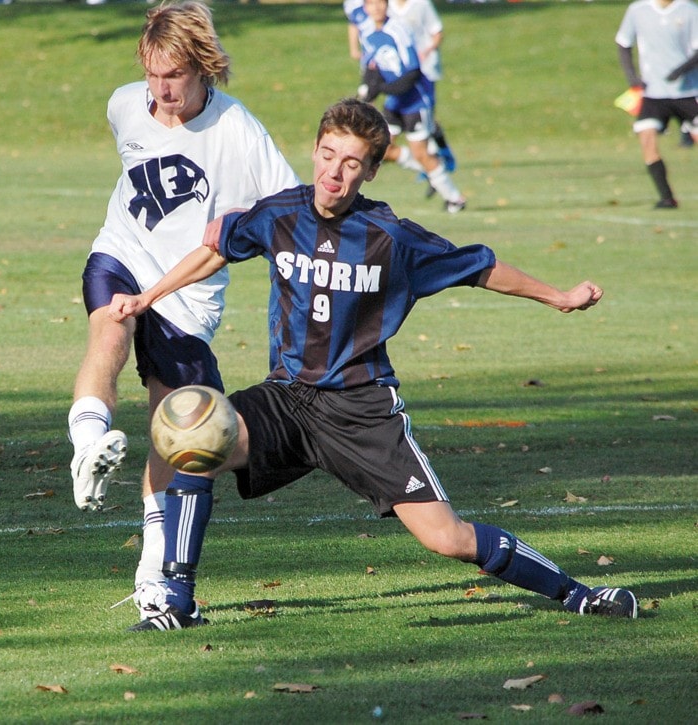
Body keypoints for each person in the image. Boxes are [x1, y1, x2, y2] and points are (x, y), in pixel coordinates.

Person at [109, 98, 639, 631]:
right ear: (314, 150)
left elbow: (482, 267)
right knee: (197, 442)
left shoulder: (393, 238)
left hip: (361, 412)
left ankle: (578, 594)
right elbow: (219, 247)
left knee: (447, 538)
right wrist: (148, 295)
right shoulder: (279, 213)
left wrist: (559, 296)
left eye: (351, 163)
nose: (334, 172)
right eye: (327, 154)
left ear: (371, 171)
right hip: (288, 398)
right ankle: (177, 603)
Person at [67, 0, 299, 620]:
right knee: (109, 328)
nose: (161, 89)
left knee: (177, 434)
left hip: (188, 300)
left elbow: (291, 214)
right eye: (152, 74)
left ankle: (152, 578)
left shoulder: (239, 133)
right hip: (119, 256)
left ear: (204, 67)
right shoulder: (124, 105)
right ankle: (86, 441)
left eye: (174, 74)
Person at [357, 0, 466, 213]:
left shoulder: (398, 30)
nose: (377, 7)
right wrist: (366, 94)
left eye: (381, 3)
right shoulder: (367, 33)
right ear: (365, 7)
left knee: (421, 153)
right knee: (383, 149)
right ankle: (434, 174)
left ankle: (455, 199)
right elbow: (372, 69)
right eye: (372, 3)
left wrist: (381, 88)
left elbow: (412, 72)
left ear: (386, 5)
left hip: (415, 101)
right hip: (393, 103)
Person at [615, 0, 698, 208]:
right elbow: (623, 43)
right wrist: (632, 77)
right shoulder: (637, 10)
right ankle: (666, 198)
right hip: (653, 93)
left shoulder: (689, 10)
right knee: (646, 138)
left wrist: (680, 71)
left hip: (688, 92)